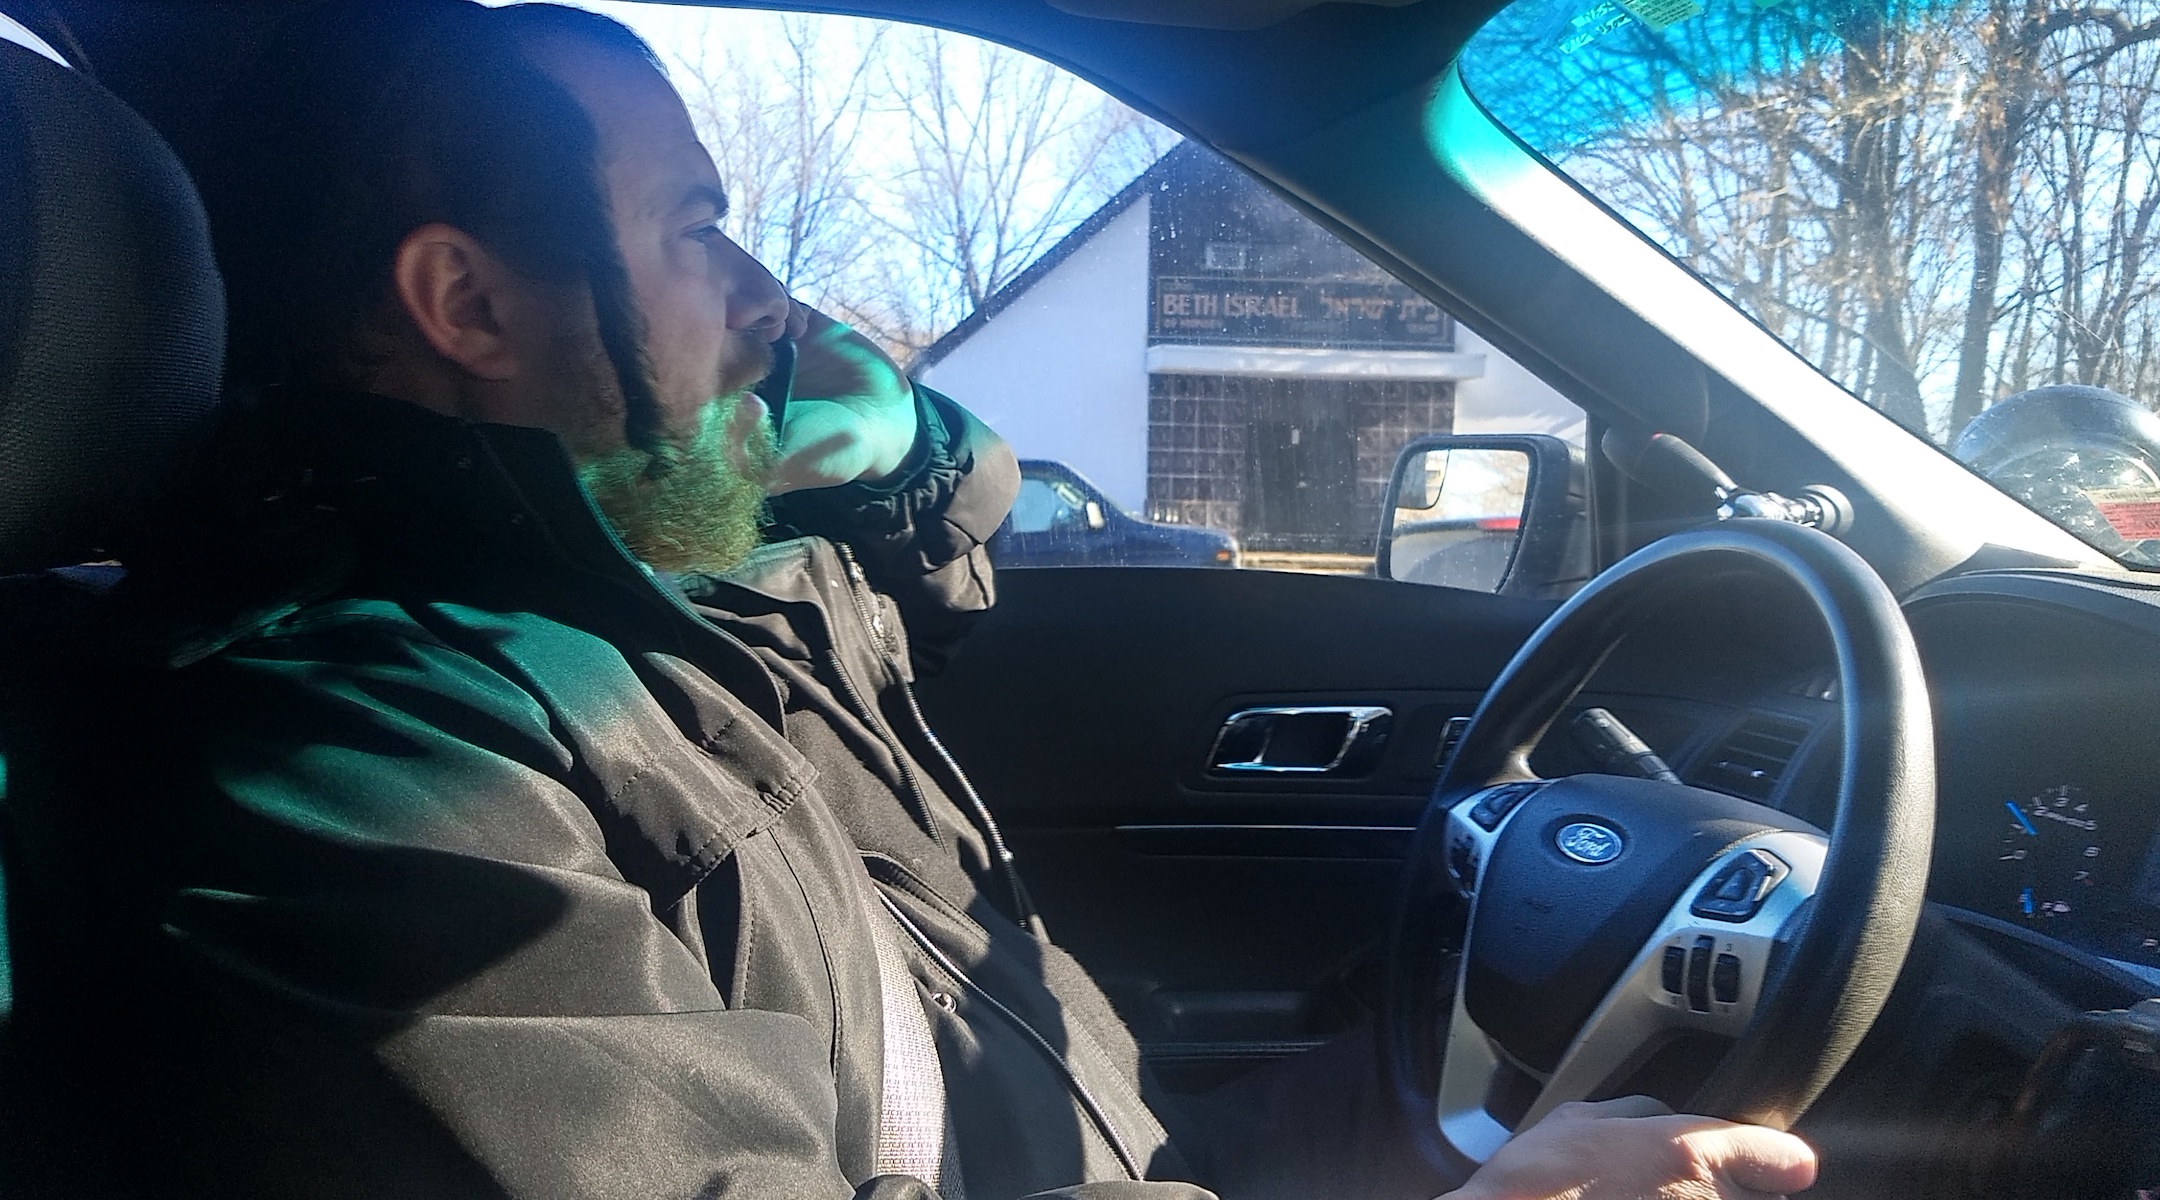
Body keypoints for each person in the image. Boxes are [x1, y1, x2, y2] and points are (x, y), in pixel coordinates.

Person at [10, 3, 1819, 1198]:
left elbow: (950, 474)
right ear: (469, 308)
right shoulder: (340, 776)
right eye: (695, 229)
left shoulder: (712, 589)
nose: (771, 301)